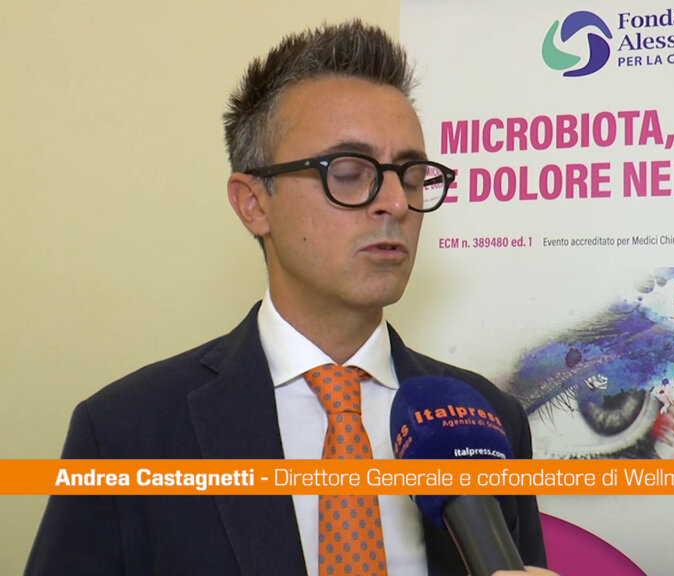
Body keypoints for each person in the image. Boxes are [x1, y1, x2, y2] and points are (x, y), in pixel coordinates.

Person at [26, 21, 556, 576]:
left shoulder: (488, 420)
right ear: (254, 204)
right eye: (349, 173)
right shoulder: (126, 433)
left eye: (411, 175)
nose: (396, 203)